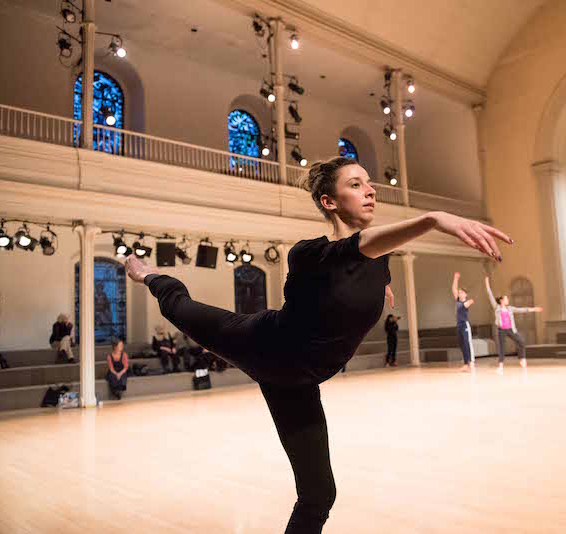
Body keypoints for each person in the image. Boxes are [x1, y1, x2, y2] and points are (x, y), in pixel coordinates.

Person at [124, 156, 512, 533]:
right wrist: (432, 219)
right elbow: (351, 252)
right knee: (181, 307)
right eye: (355, 185)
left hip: (297, 383)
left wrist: (383, 284)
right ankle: (150, 274)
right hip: (261, 343)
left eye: (370, 183)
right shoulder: (308, 254)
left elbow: (370, 258)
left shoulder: (379, 259)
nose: (370, 191)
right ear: (329, 202)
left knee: (319, 495)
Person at [484, 276, 542, 374]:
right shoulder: (496, 308)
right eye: (506, 299)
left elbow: (521, 310)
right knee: (502, 348)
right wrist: (487, 284)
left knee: (521, 342)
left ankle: (522, 358)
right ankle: (500, 366)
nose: (507, 300)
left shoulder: (510, 308)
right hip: (501, 330)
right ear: (501, 300)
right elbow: (490, 295)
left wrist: (533, 309)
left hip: (511, 329)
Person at [451, 272, 476, 373]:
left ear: (465, 294)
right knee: (462, 344)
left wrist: (469, 301)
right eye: (459, 292)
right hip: (459, 326)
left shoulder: (465, 303)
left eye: (462, 292)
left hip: (465, 325)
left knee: (467, 344)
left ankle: (471, 363)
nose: (460, 293)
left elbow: (469, 303)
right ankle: (466, 364)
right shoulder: (458, 301)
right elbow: (453, 289)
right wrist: (455, 279)